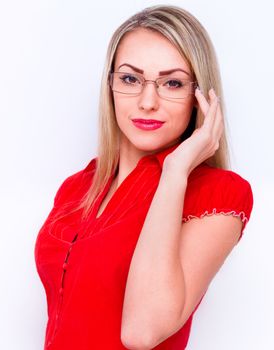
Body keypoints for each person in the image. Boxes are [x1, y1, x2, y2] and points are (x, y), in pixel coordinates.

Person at [34, 5, 253, 350]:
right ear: (110, 85)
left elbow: (142, 333)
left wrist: (175, 171)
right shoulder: (76, 188)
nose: (147, 101)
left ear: (199, 98)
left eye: (173, 82)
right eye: (130, 79)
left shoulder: (219, 194)